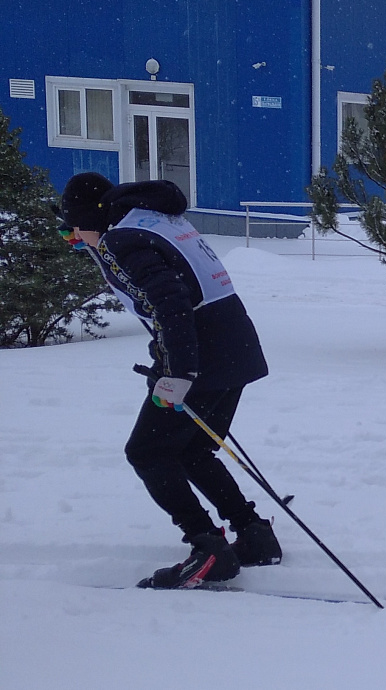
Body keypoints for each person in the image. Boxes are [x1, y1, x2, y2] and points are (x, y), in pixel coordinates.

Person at [58, 173, 280, 589]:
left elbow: (172, 304)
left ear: (90, 218)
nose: (73, 237)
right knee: (194, 450)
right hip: (234, 349)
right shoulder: (151, 219)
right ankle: (254, 533)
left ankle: (207, 546)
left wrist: (177, 374)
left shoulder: (122, 240)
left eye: (73, 227)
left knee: (147, 452)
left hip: (202, 356)